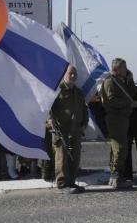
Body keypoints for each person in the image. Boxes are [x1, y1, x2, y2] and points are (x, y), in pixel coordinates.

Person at [48, 64, 89, 193]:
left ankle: (71, 182)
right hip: (61, 129)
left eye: (74, 74)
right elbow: (47, 108)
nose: (72, 76)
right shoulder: (57, 91)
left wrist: (84, 123)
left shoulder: (78, 92)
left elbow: (84, 109)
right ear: (64, 74)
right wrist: (50, 120)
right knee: (62, 158)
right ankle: (62, 184)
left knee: (74, 157)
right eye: (70, 73)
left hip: (75, 130)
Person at [100, 57, 137, 189]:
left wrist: (130, 79)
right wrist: (128, 104)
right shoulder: (110, 82)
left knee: (119, 148)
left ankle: (115, 176)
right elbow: (111, 101)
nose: (126, 70)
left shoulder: (122, 81)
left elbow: (132, 93)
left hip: (122, 117)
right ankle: (116, 176)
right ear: (117, 69)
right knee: (120, 148)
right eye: (124, 68)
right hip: (115, 118)